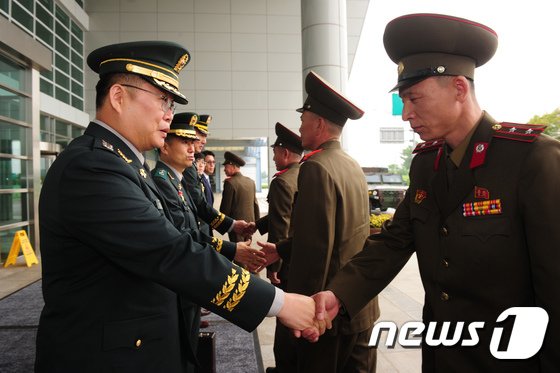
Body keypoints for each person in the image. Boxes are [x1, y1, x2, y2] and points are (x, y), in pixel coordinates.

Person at [35, 40, 318, 373]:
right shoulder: (92, 168)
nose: (169, 113)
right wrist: (278, 302)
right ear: (118, 96)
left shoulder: (125, 165)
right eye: (162, 99)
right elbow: (169, 251)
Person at [311, 14, 560, 373]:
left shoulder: (532, 159)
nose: (406, 114)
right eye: (403, 100)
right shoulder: (427, 165)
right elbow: (395, 242)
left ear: (459, 88)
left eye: (414, 98)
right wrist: (339, 293)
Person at [259, 71, 379, 373]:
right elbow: (340, 233)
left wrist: (306, 311)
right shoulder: (350, 164)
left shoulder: (316, 168)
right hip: (358, 305)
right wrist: (282, 249)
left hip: (328, 311)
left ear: (319, 124)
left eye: (303, 121)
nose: (300, 128)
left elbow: (316, 249)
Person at [152, 112, 265, 372]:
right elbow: (185, 233)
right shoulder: (163, 180)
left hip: (193, 262)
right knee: (182, 345)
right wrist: (232, 249)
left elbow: (198, 212)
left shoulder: (175, 180)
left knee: (190, 340)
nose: (194, 149)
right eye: (185, 142)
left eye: (195, 141)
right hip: (185, 265)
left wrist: (232, 229)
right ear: (165, 145)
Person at [255, 122, 304, 373]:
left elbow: (281, 228)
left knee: (286, 318)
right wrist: (255, 225)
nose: (273, 158)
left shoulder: (282, 182)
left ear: (285, 153)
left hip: (286, 260)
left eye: (275, 152)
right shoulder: (304, 175)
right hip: (301, 256)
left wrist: (274, 266)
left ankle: (284, 367)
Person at [182, 114, 250, 238]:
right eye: (200, 135)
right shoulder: (187, 167)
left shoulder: (191, 167)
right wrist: (231, 224)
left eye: (205, 136)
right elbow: (198, 203)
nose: (204, 140)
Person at [220, 151, 260, 242]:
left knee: (238, 252)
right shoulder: (251, 181)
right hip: (250, 224)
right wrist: (256, 223)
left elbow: (225, 208)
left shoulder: (229, 183)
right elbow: (255, 204)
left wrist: (223, 224)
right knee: (248, 248)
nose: (224, 169)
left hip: (236, 225)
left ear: (233, 166)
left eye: (226, 167)